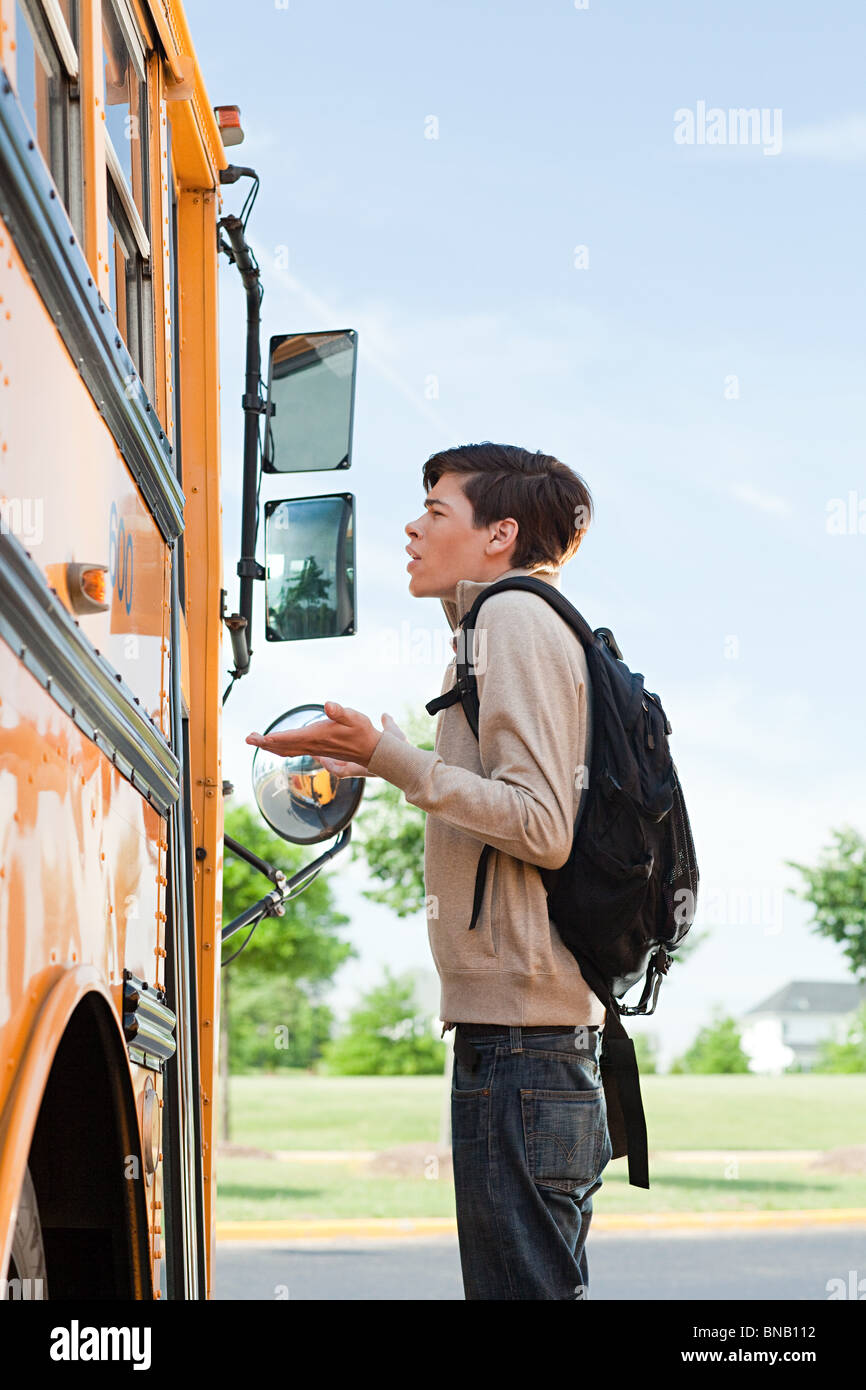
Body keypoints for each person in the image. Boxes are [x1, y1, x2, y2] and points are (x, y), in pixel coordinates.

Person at [247, 441, 612, 1300]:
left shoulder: (514, 620)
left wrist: (395, 759)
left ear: (500, 535)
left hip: (526, 1046)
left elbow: (542, 825)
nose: (412, 527)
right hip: (529, 1044)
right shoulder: (503, 628)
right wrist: (377, 762)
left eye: (437, 511)